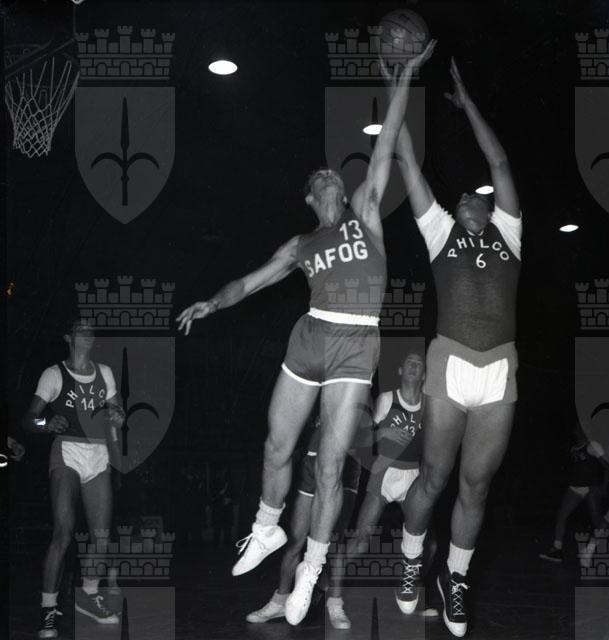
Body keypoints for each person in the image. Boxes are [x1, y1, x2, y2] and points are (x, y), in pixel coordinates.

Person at [177, 42, 436, 626]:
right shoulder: (300, 244)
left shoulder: (365, 212)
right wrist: (212, 302)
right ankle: (266, 528)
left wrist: (404, 79)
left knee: (330, 467)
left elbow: (385, 145)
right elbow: (250, 282)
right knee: (277, 445)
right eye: (317, 178)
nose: (326, 177)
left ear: (342, 191)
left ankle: (313, 572)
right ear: (309, 198)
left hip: (355, 343)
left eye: (331, 175)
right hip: (310, 336)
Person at [391, 58, 522, 637]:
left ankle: (456, 578)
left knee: (477, 485)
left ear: (490, 209)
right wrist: (399, 80)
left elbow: (499, 162)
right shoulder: (440, 231)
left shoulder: (509, 233)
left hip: (499, 370)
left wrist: (467, 103)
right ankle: (411, 559)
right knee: (434, 477)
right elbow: (406, 160)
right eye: (462, 194)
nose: (468, 194)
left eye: (476, 194)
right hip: (448, 361)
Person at [22, 320, 125, 638]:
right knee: (63, 533)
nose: (87, 334)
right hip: (67, 451)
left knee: (101, 535)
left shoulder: (105, 373)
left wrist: (118, 416)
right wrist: (46, 424)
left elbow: (118, 414)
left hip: (98, 453)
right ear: (68, 337)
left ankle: (88, 597)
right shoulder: (54, 374)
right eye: (81, 330)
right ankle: (48, 610)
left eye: (91, 331)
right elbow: (29, 419)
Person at [334, 351, 437, 623]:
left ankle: (410, 594)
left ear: (424, 375)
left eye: (419, 364)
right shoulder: (387, 399)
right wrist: (383, 432)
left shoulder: (429, 405)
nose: (413, 366)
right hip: (385, 474)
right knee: (360, 543)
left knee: (429, 546)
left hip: (413, 476)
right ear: (401, 371)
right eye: (409, 362)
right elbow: (361, 438)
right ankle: (328, 592)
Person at [246, 412, 361, 629]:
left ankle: (335, 604)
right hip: (314, 457)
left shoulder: (361, 396)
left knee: (335, 541)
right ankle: (279, 601)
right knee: (295, 538)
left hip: (345, 463)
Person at [539, 424, 609, 564]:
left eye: (580, 428)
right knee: (561, 515)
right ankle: (557, 550)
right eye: (576, 428)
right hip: (575, 487)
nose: (577, 430)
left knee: (597, 520)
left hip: (591, 487)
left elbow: (607, 467)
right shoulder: (574, 448)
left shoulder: (593, 445)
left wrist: (604, 488)